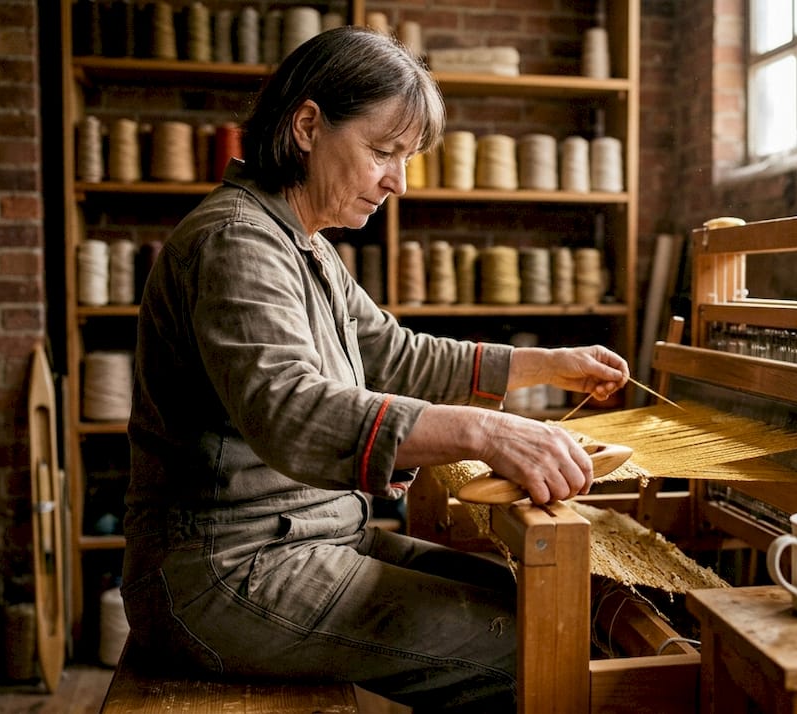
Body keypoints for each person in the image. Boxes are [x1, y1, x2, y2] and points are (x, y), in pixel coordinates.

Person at [121, 25, 628, 713]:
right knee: (538, 648)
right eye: (383, 152)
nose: (399, 181)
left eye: (406, 158)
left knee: (534, 600)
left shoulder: (304, 245)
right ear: (307, 126)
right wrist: (487, 433)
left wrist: (546, 365)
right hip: (225, 572)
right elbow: (290, 409)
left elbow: (392, 353)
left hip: (309, 539)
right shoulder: (237, 242)